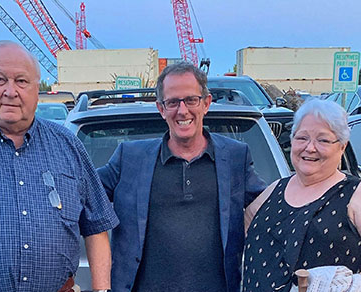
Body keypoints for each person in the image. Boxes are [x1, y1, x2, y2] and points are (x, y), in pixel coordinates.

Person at [0, 40, 119, 292]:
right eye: (0, 80)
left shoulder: (69, 145)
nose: (10, 91)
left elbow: (97, 226)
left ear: (37, 90)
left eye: (21, 81)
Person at [97, 62, 267, 292]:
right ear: (161, 108)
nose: (182, 110)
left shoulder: (236, 157)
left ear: (206, 103)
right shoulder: (129, 159)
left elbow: (275, 209)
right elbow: (79, 191)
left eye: (191, 100)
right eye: (173, 102)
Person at [243, 98, 361, 292]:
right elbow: (240, 238)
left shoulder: (355, 195)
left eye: (323, 140)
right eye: (302, 138)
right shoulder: (273, 191)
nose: (310, 147)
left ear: (342, 146)